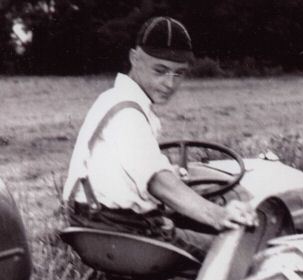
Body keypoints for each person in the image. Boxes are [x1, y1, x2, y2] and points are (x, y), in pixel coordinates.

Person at [63, 16, 257, 260]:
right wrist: (218, 215)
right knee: (244, 256)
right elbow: (157, 181)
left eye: (179, 73)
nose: (169, 83)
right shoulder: (127, 112)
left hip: (98, 220)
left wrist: (180, 177)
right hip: (122, 228)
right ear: (134, 58)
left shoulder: (115, 99)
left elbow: (141, 170)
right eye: (160, 70)